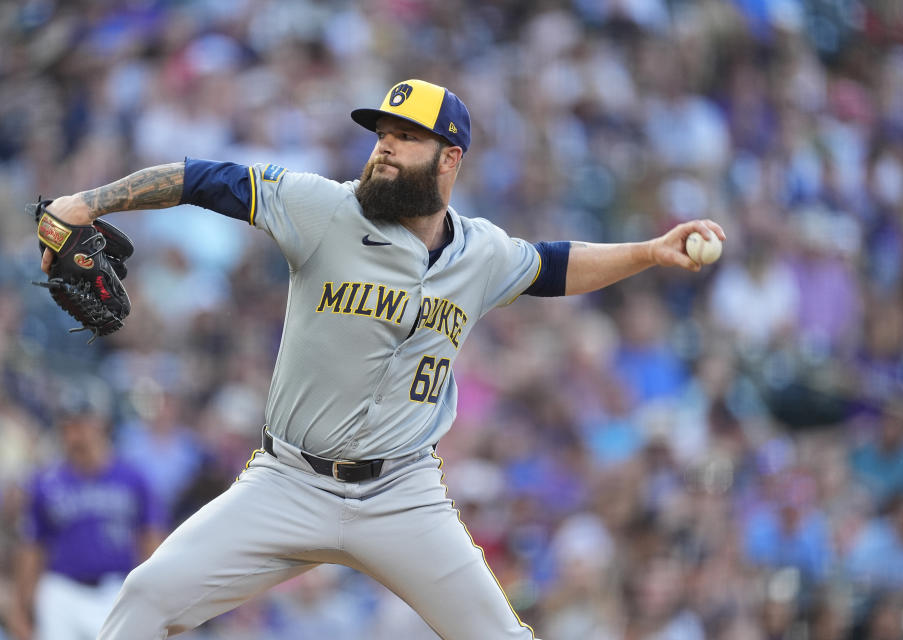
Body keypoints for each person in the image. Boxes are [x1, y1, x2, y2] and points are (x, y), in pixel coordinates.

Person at [39, 79, 725, 639]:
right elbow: (204, 178)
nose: (384, 149)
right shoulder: (322, 209)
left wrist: (649, 251)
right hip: (288, 483)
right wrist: (89, 202)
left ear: (449, 159)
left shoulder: (480, 253)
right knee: (148, 598)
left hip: (402, 494)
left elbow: (553, 265)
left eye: (405, 137)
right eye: (382, 134)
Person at [15, 407, 162, 640]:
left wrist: (155, 595)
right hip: (62, 590)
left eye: (80, 426)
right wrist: (22, 610)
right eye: (67, 428)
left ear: (100, 426)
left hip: (115, 589)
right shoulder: (46, 482)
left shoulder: (132, 478)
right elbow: (32, 547)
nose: (74, 436)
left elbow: (150, 538)